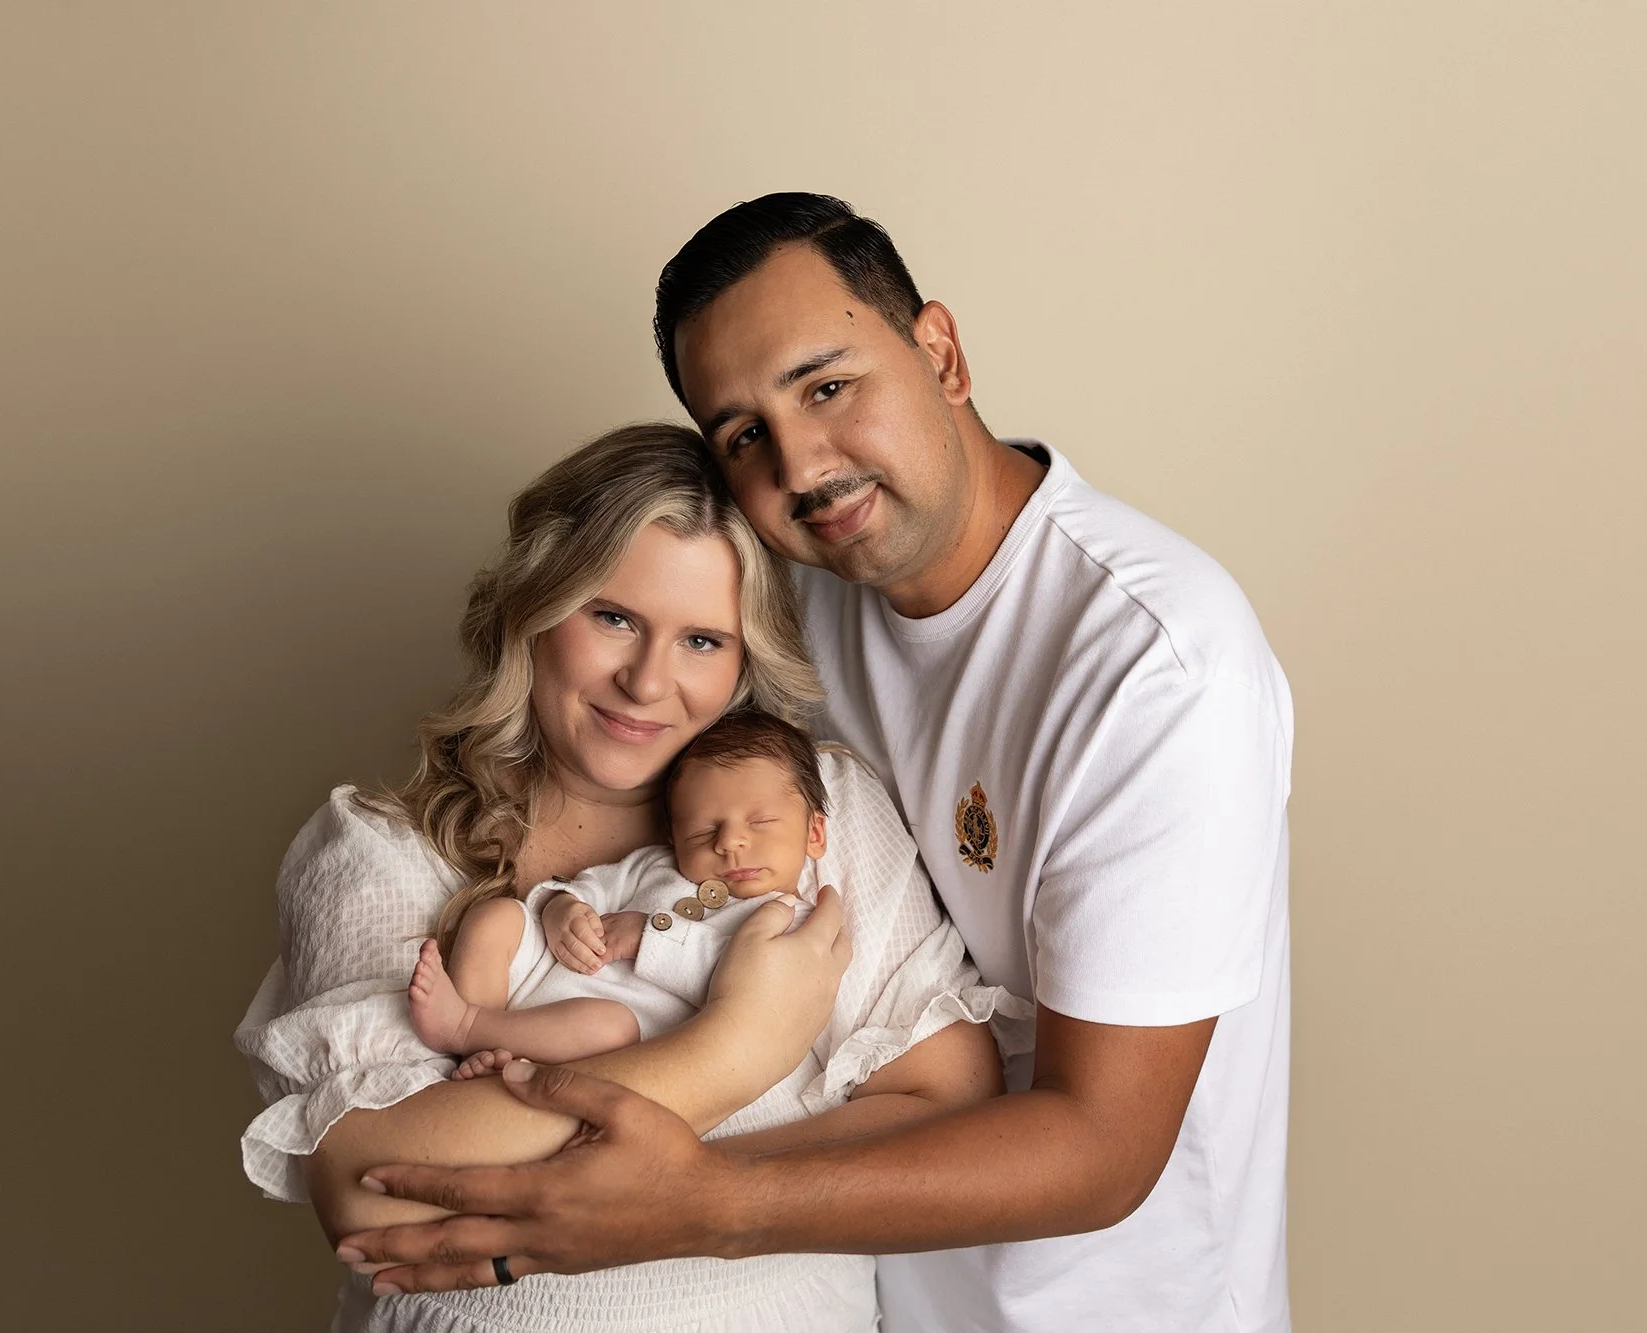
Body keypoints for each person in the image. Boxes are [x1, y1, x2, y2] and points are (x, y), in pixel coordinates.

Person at [336, 194, 1297, 1333]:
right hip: (873, 1292)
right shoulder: (797, 611)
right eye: (743, 433)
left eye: (826, 386)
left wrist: (697, 1202)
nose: (800, 463)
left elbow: (1099, 1147)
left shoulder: (1153, 663)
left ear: (939, 351)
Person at [234, 421, 1016, 1332]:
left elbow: (944, 1107)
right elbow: (378, 1201)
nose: (649, 682)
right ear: (533, 609)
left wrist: (689, 1198)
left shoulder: (806, 810)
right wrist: (738, 1046)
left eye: (702, 641)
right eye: (614, 618)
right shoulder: (377, 849)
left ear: (745, 657)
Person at [406, 711, 893, 1082]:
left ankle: (465, 1028)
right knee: (496, 917)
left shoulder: (789, 922)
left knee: (607, 1025)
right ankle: (485, 1045)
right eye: (704, 831)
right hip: (543, 980)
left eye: (761, 823)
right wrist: (561, 908)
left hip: (620, 1033)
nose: (730, 842)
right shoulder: (656, 866)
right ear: (674, 836)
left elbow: (747, 987)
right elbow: (593, 886)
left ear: (815, 834)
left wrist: (651, 938)